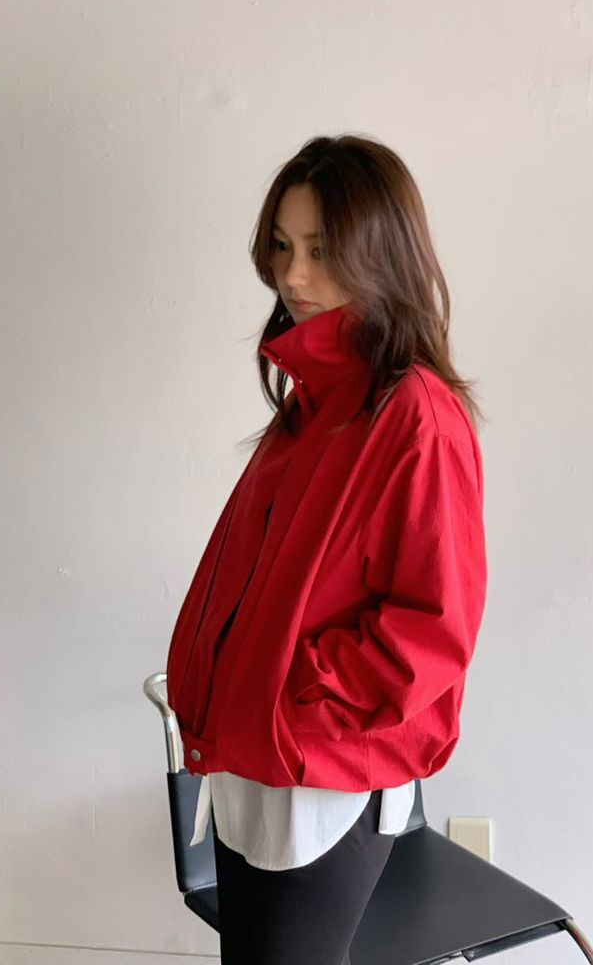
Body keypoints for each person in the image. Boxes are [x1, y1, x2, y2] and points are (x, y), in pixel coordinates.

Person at [166, 133, 488, 965]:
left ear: (381, 253)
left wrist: (293, 695)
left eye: (321, 250)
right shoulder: (312, 404)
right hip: (253, 759)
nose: (294, 277)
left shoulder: (415, 417)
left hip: (323, 771)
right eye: (282, 247)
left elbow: (431, 630)